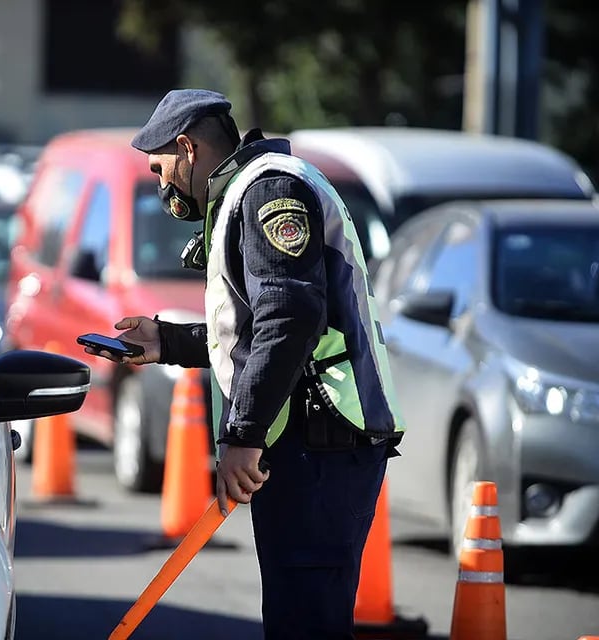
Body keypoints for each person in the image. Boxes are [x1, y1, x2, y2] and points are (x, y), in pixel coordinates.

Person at [85, 89, 405, 639]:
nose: (163, 185)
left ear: (186, 148)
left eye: (161, 168)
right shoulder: (251, 189)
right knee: (297, 616)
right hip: (313, 439)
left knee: (305, 622)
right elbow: (261, 328)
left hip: (320, 440)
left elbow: (289, 318)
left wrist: (243, 434)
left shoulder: (268, 190)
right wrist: (168, 341)